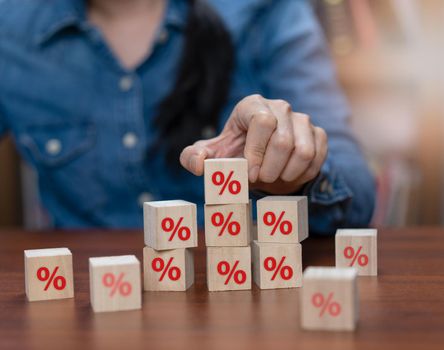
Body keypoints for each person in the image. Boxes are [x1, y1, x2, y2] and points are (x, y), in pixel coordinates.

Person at [0, 0, 375, 234]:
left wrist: (294, 179)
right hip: (84, 309)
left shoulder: (268, 11)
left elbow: (357, 197)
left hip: (241, 303)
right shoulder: (9, 30)